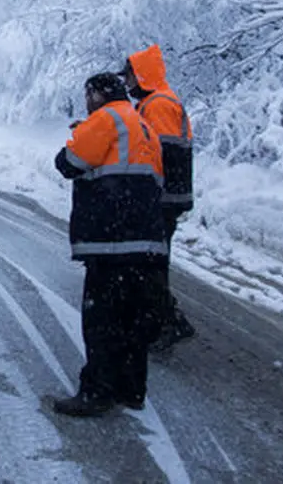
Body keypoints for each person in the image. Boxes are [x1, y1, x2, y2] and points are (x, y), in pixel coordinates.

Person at [52, 73, 167, 417]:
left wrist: (80, 134)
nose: (86, 101)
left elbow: (68, 163)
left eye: (88, 94)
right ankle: (131, 390)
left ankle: (96, 392)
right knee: (133, 317)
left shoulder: (106, 118)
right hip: (146, 239)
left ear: (99, 94)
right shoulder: (143, 125)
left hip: (111, 239)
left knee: (102, 319)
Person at [122, 44, 197, 352]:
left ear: (142, 76)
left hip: (163, 199)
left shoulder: (159, 105)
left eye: (129, 77)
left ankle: (167, 322)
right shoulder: (153, 103)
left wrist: (143, 195)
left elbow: (159, 155)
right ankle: (159, 320)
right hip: (165, 198)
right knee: (150, 262)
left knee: (150, 264)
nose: (126, 84)